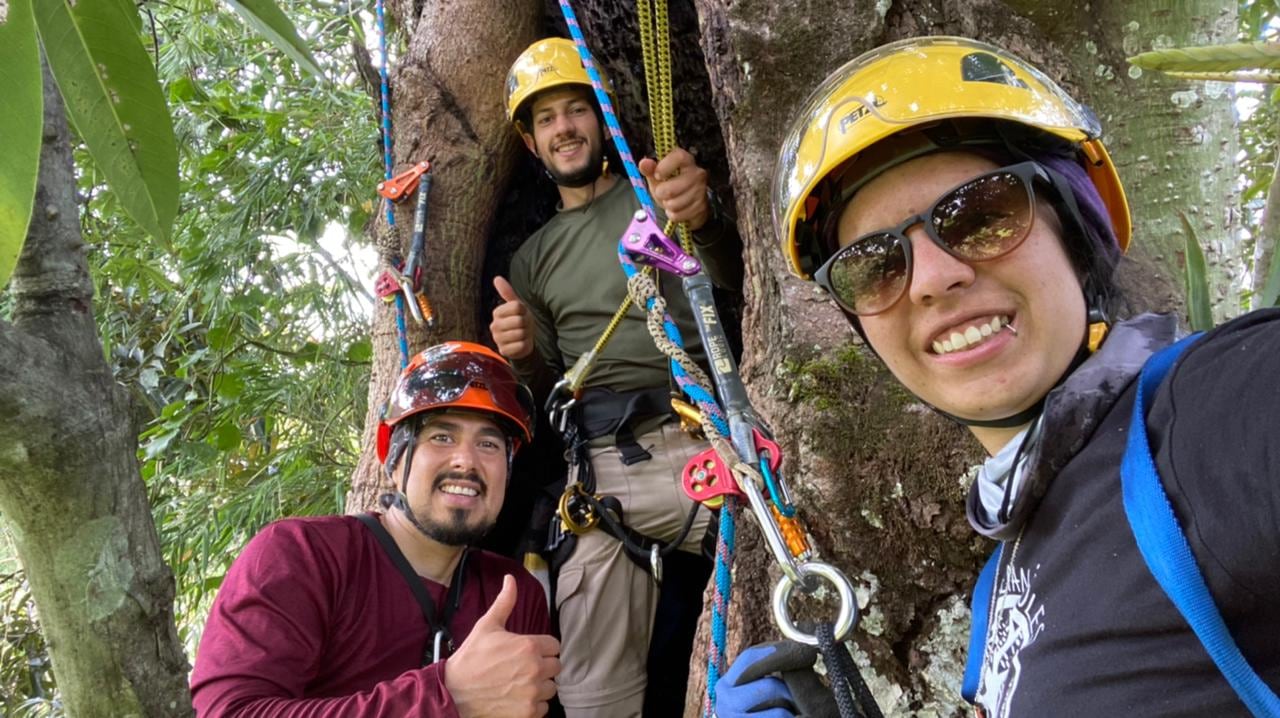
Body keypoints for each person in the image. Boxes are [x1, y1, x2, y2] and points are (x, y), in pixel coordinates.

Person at [717, 36, 1280, 717]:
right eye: (875, 265)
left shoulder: (1212, 415)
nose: (930, 279)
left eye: (982, 216)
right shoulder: (1005, 572)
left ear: (1076, 230)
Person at [489, 37, 744, 717]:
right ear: (530, 140)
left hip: (708, 434)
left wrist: (704, 218)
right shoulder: (532, 260)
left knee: (785, 575)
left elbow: (742, 285)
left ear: (599, 118)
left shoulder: (653, 191)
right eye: (546, 119)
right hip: (605, 470)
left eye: (575, 109)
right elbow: (546, 381)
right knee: (590, 696)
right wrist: (519, 352)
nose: (564, 127)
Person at [190, 342, 561, 717]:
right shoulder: (301, 556)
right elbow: (231, 711)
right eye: (442, 437)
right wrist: (445, 698)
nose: (466, 460)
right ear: (396, 460)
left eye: (488, 444)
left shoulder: (513, 593)